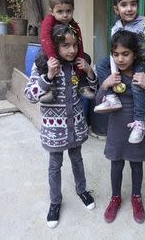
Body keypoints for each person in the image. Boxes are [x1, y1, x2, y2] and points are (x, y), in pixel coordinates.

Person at [24, 24, 97, 228]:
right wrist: (48, 76)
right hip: (54, 130)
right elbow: (29, 95)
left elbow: (93, 90)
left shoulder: (77, 65)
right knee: (55, 166)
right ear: (54, 46)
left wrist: (89, 71)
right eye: (65, 45)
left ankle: (82, 190)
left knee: (77, 160)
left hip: (76, 126)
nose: (71, 50)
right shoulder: (42, 66)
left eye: (74, 45)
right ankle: (55, 202)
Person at [96, 30, 145, 224]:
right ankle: (115, 198)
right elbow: (99, 103)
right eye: (116, 54)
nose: (120, 59)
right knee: (116, 164)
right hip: (116, 129)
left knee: (136, 165)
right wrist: (104, 85)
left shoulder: (141, 75)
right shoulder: (113, 75)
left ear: (135, 53)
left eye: (125, 54)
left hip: (137, 129)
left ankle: (136, 198)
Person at [93, 0, 145, 144]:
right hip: (126, 60)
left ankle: (140, 122)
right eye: (124, 5)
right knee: (100, 64)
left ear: (138, 5)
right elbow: (113, 54)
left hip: (144, 59)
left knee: (137, 83)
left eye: (133, 4)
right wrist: (114, 76)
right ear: (116, 8)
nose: (129, 8)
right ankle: (111, 97)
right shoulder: (116, 28)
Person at [38, 0, 95, 103]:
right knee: (40, 60)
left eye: (68, 11)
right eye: (60, 12)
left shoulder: (74, 25)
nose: (65, 15)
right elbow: (45, 39)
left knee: (86, 57)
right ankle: (50, 88)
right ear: (52, 11)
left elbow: (80, 43)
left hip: (67, 57)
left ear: (73, 10)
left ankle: (82, 85)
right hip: (51, 53)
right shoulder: (49, 22)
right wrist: (52, 58)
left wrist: (80, 61)